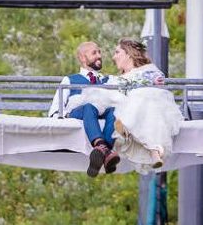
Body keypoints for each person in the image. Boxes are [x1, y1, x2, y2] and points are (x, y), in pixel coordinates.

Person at [79, 38, 184, 173]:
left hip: (149, 105)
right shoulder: (119, 79)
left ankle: (141, 142)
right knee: (123, 103)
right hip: (135, 107)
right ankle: (151, 150)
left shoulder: (149, 71)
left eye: (117, 52)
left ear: (128, 54)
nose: (113, 57)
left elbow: (155, 82)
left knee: (142, 99)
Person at [47, 41, 121, 177]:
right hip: (78, 112)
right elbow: (57, 107)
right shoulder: (70, 80)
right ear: (82, 58)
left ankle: (102, 152)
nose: (99, 56)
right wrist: (57, 121)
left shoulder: (106, 80)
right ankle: (102, 146)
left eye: (99, 52)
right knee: (89, 107)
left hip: (100, 111)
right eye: (94, 53)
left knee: (116, 110)